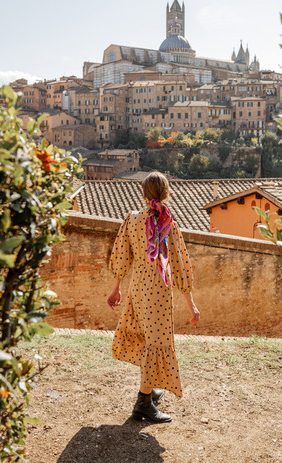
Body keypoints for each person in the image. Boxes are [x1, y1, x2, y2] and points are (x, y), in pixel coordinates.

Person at [107, 172, 200, 423]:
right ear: (166, 193)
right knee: (156, 342)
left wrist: (116, 288)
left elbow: (121, 255)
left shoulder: (132, 219)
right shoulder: (168, 223)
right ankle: (143, 404)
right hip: (159, 291)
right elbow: (180, 265)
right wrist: (191, 304)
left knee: (147, 338)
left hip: (137, 288)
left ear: (143, 194)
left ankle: (150, 387)